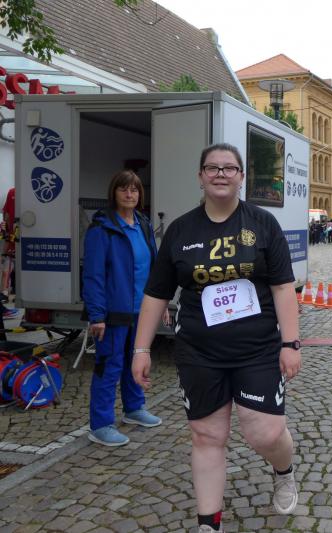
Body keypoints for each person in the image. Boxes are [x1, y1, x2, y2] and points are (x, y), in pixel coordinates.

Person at [132, 143, 302, 531]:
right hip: (199, 351)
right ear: (200, 176)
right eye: (212, 168)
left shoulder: (263, 224)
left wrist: (290, 344)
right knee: (207, 435)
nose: (221, 174)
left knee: (265, 433)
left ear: (241, 177)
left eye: (229, 168)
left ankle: (284, 470)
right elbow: (156, 294)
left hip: (257, 349)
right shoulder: (181, 231)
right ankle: (209, 524)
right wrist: (142, 348)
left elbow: (282, 287)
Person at [82, 170, 162, 447]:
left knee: (135, 361)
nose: (129, 194)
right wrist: (97, 315)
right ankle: (101, 425)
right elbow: (93, 275)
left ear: (140, 194)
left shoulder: (143, 224)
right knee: (109, 367)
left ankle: (134, 408)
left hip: (142, 311)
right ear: (113, 193)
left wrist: (161, 302)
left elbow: (154, 268)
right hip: (113, 314)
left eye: (135, 190)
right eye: (123, 189)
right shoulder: (102, 228)